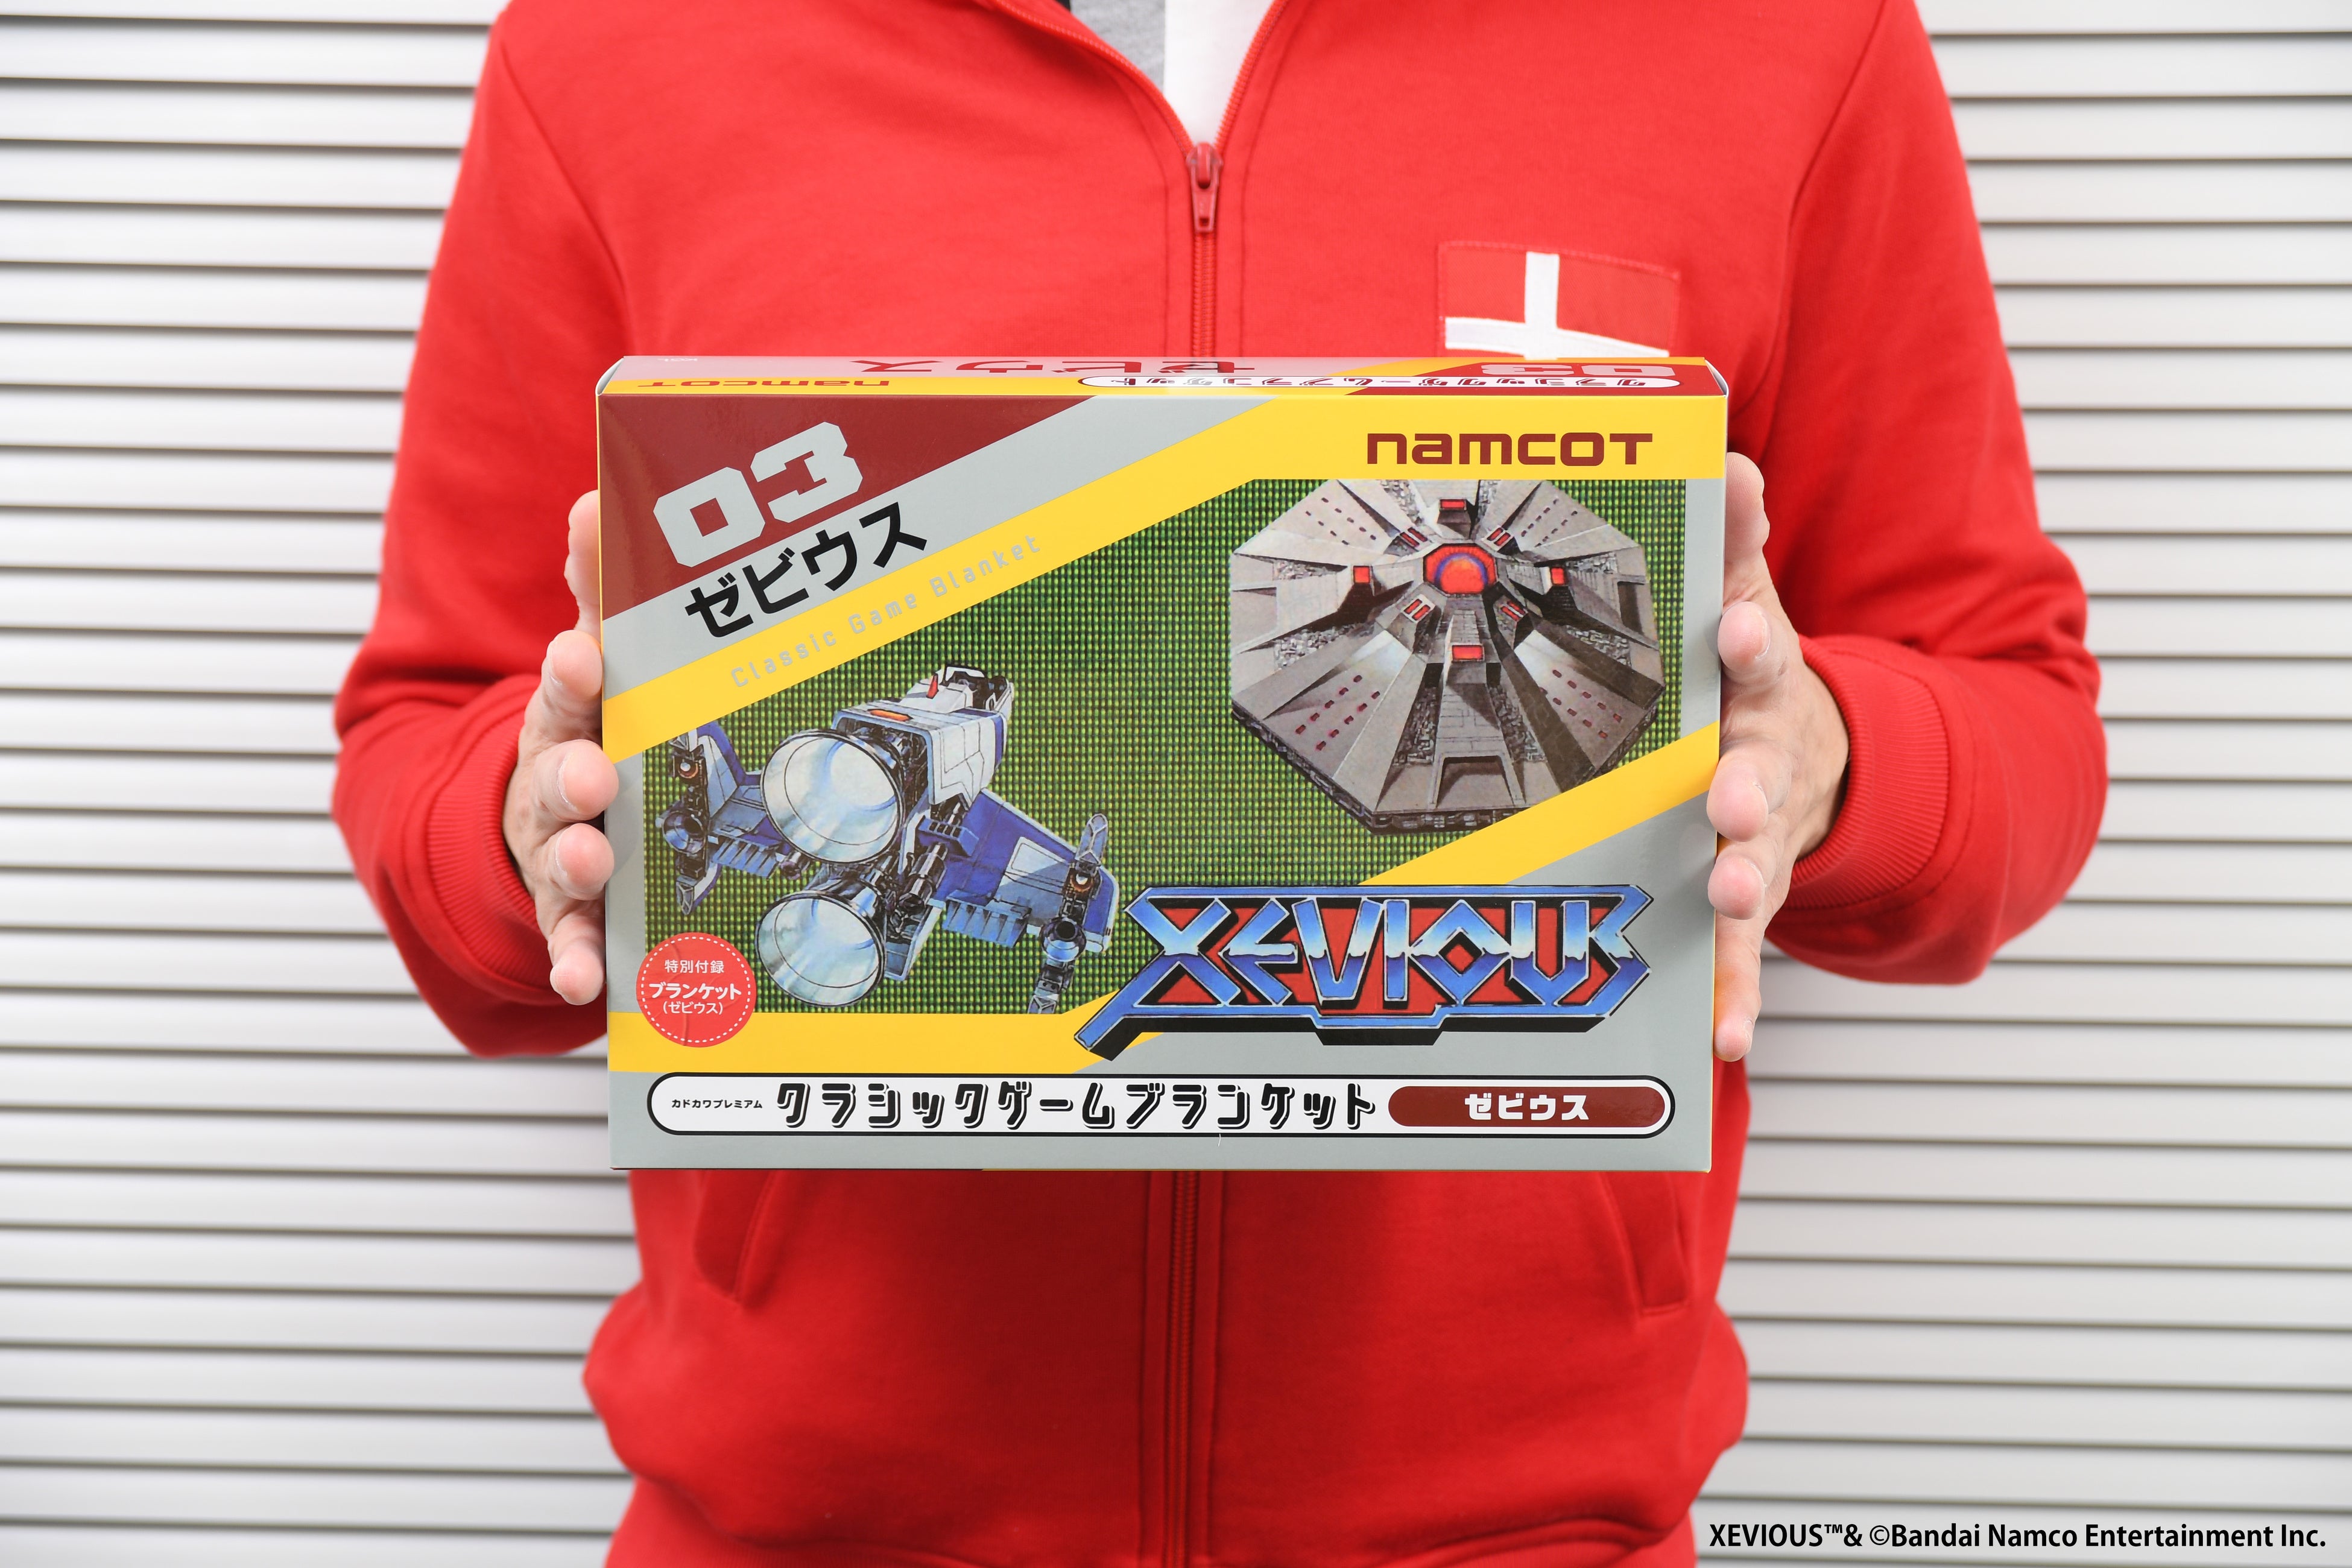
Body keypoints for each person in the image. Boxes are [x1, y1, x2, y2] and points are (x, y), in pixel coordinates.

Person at [334, 1, 2105, 1561]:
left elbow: (2009, 716)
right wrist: (531, 825)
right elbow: (434, 736)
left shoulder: (1779, 33)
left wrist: (1829, 759)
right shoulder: (620, 40)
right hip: (803, 1526)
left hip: (1524, 1522)